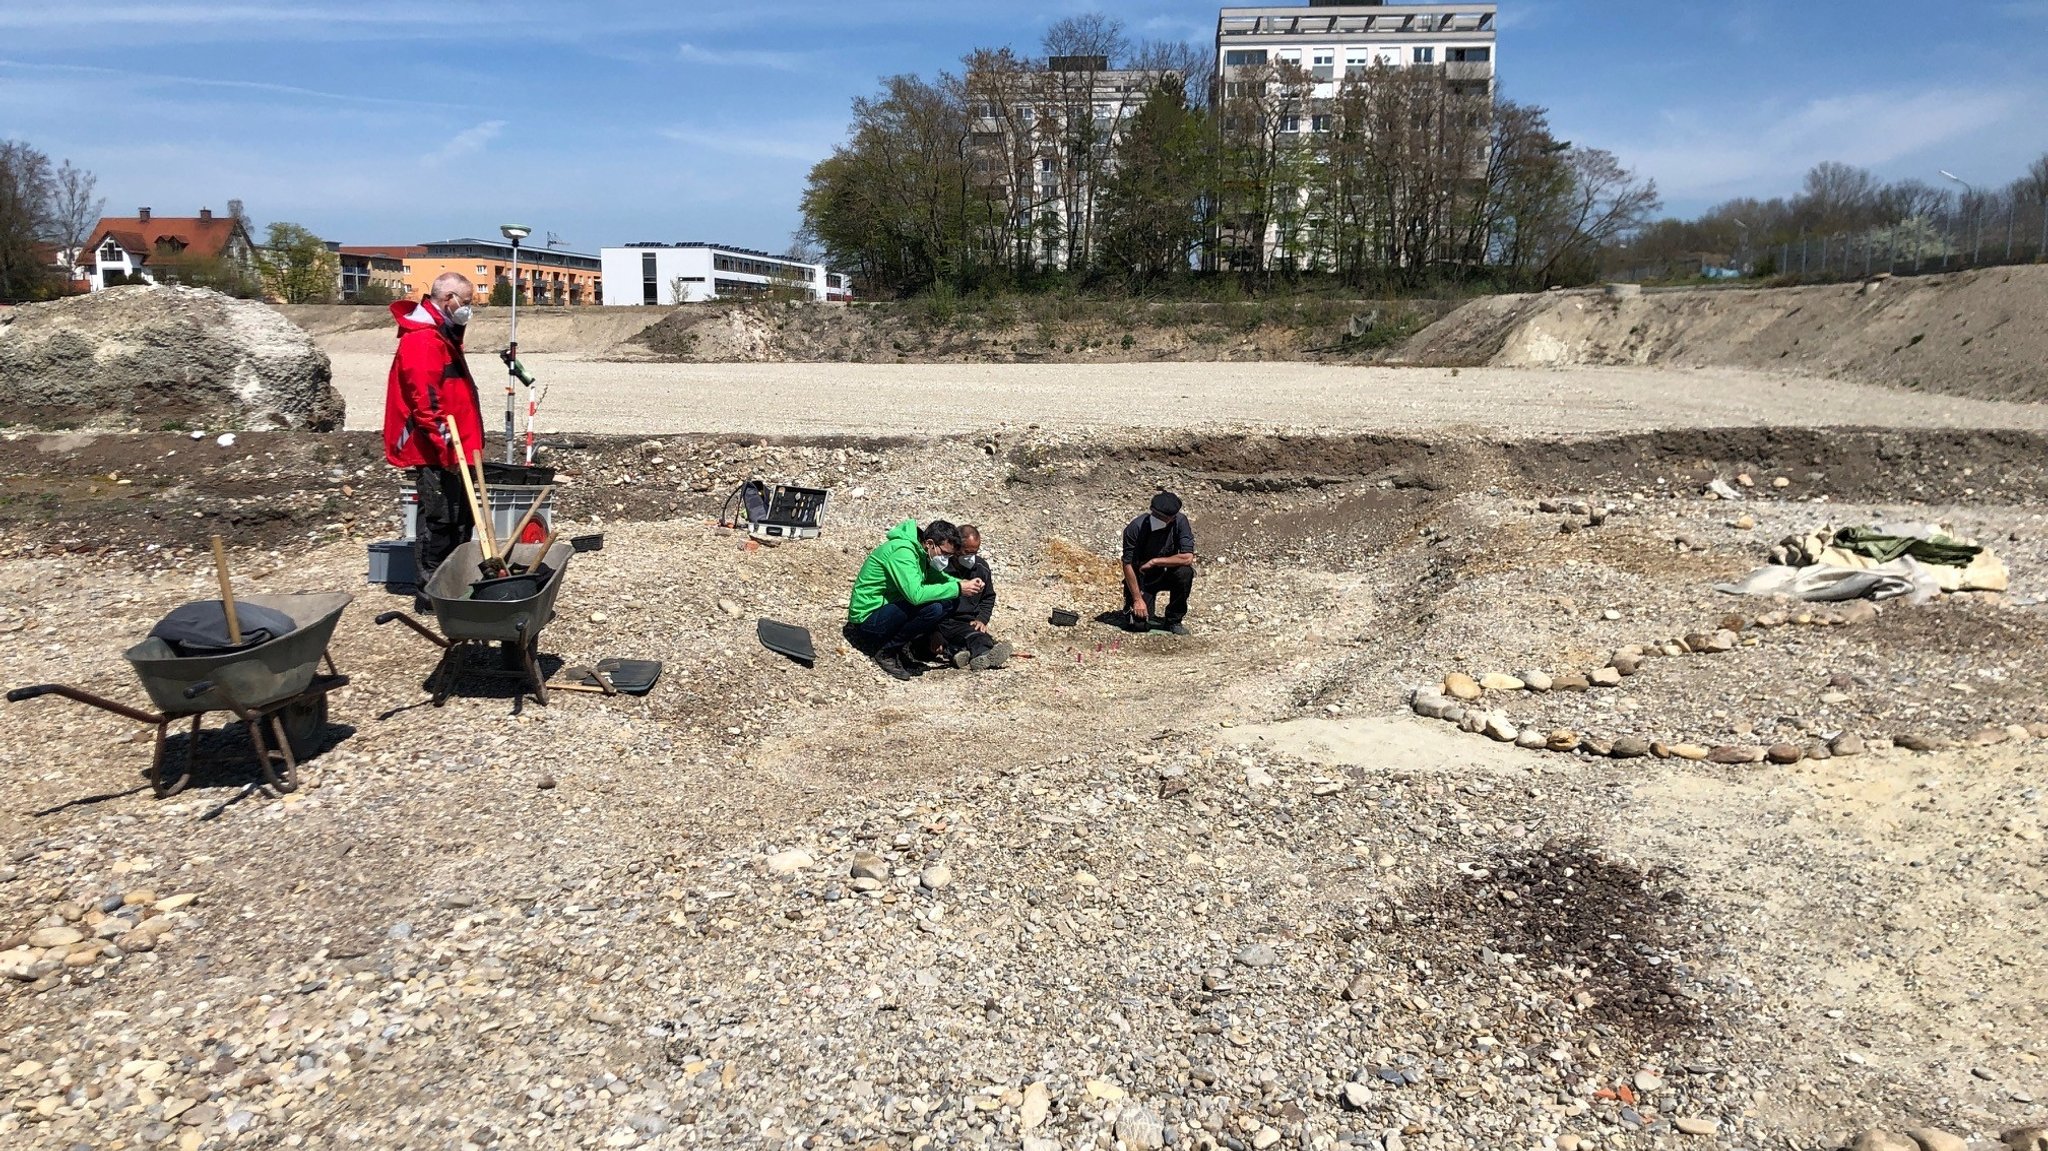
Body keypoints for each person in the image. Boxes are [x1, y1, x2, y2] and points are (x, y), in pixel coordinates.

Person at [383, 272, 483, 610]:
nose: (468, 310)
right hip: (437, 450)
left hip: (459, 448)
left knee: (461, 519)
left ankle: (455, 583)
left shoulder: (441, 336)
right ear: (448, 299)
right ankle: (431, 592)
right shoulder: (422, 341)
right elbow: (427, 405)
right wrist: (447, 451)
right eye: (466, 303)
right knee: (440, 520)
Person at [846, 519, 985, 680]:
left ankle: (900, 649)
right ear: (930, 543)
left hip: (887, 610)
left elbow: (938, 579)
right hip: (867, 620)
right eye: (945, 554)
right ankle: (887, 652)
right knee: (932, 608)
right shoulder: (902, 552)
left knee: (948, 601)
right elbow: (915, 595)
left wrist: (962, 584)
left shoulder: (921, 553)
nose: (946, 559)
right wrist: (958, 588)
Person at [938, 524, 1012, 671]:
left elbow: (988, 597)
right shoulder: (941, 567)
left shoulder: (981, 568)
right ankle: (964, 653)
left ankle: (979, 656)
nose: (970, 557)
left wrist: (982, 619)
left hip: (967, 622)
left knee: (976, 635)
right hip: (942, 620)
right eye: (967, 552)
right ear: (956, 547)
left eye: (975, 552)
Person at [1121, 491, 1196, 634]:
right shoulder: (1135, 528)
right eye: (1155, 515)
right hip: (1143, 577)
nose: (1158, 519)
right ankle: (1135, 605)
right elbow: (1127, 564)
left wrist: (1155, 561)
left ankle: (1174, 620)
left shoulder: (1180, 522)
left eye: (1163, 517)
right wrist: (1137, 599)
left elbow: (1187, 557)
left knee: (1185, 573)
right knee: (1139, 626)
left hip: (1166, 573)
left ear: (1172, 518)